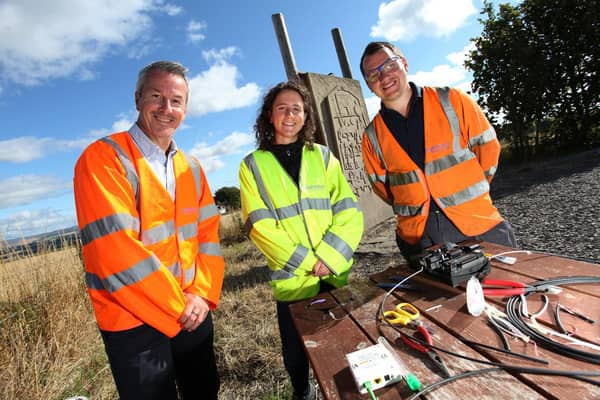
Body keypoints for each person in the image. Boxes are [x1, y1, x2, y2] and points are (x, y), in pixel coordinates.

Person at [73, 61, 224, 400]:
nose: (166, 108)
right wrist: (178, 306)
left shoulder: (194, 168)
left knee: (204, 392)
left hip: (193, 312)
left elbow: (208, 239)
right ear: (138, 98)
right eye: (156, 96)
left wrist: (200, 294)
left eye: (177, 100)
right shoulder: (104, 158)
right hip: (134, 323)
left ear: (185, 108)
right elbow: (115, 251)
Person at [238, 81, 364, 400]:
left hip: (335, 273)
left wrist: (330, 258)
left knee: (345, 343)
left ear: (306, 116)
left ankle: (347, 392)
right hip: (293, 280)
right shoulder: (252, 165)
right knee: (296, 353)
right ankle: (303, 392)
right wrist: (310, 263)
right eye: (282, 107)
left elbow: (347, 208)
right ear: (269, 116)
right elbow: (260, 226)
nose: (290, 114)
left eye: (297, 108)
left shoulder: (322, 156)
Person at [360, 42, 516, 262]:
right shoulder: (371, 136)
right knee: (438, 296)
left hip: (477, 224)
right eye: (373, 75)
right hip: (420, 238)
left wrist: (468, 193)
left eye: (389, 65)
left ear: (404, 64)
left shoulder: (452, 100)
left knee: (504, 291)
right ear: (369, 84)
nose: (384, 77)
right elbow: (383, 188)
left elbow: (488, 149)